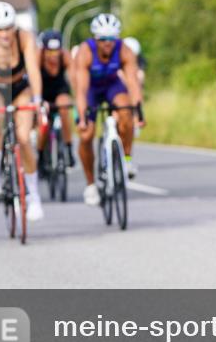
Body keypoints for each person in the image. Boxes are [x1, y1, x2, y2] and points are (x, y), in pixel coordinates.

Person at [0, 1, 46, 222]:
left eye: (7, 27)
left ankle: (34, 197)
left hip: (20, 88)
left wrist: (37, 100)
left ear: (14, 26)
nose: (4, 33)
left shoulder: (25, 38)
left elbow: (33, 71)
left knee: (24, 139)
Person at [74, 13, 144, 206]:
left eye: (111, 38)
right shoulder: (85, 52)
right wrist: (81, 117)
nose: (107, 43)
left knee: (126, 112)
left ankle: (127, 159)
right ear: (96, 39)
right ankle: (90, 185)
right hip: (91, 89)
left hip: (112, 85)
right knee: (87, 134)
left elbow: (133, 83)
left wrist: (138, 111)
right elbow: (80, 90)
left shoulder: (124, 50)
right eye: (103, 39)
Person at [36, 29, 76, 169]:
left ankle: (68, 148)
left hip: (60, 90)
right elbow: (32, 80)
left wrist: (77, 98)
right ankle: (40, 155)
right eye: (50, 51)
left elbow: (73, 77)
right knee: (43, 124)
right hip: (42, 92)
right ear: (44, 48)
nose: (53, 55)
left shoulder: (65, 56)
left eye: (56, 51)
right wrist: (38, 100)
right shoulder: (38, 57)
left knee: (64, 107)